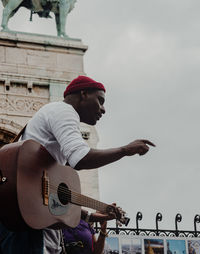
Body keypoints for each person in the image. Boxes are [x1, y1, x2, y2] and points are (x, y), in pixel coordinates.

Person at [0, 75, 155, 253]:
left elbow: (48, 193)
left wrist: (91, 215)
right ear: (83, 94)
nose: (103, 109)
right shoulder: (64, 111)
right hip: (26, 227)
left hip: (28, 221)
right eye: (100, 100)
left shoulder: (51, 124)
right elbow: (80, 158)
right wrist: (125, 150)